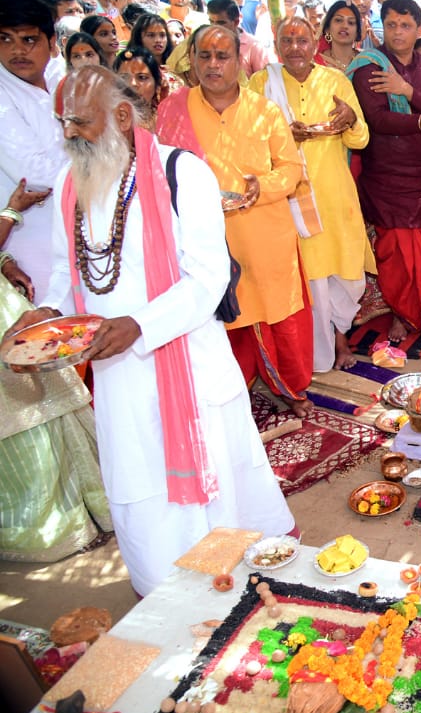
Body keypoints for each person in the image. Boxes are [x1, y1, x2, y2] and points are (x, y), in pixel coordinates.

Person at [7, 66, 294, 595]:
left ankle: (230, 581)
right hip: (119, 371)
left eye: (78, 123)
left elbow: (207, 278)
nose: (68, 135)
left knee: (213, 483)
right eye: (62, 124)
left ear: (121, 116)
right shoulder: (74, 183)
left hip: (187, 358)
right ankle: (165, 588)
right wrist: (47, 311)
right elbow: (68, 274)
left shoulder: (183, 174)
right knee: (142, 480)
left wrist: (141, 324)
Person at [155, 25, 314, 417]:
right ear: (191, 61)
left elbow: (292, 169)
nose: (213, 64)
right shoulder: (174, 108)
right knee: (221, 317)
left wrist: (263, 186)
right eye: (204, 55)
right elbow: (160, 170)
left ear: (238, 61)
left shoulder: (265, 110)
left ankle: (292, 389)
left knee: (281, 317)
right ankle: (230, 395)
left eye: (222, 56)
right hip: (205, 238)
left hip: (265, 235)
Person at [249, 17, 371, 373]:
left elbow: (360, 140)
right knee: (310, 275)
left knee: (345, 273)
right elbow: (252, 142)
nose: (295, 48)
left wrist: (350, 120)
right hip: (291, 198)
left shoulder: (334, 80)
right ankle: (323, 347)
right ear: (276, 43)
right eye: (287, 40)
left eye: (303, 40)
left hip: (334, 195)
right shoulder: (261, 83)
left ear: (316, 41)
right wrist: (284, 137)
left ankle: (340, 334)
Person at [0, 178, 112, 562]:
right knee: (21, 421)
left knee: (52, 402)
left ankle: (84, 506)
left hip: (5, 307)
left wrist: (6, 263)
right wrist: (12, 211)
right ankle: (45, 528)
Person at [348, 0, 421, 344]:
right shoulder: (370, 66)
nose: (398, 32)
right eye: (392, 24)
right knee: (395, 256)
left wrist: (407, 90)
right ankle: (402, 312)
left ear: (419, 29)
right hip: (386, 174)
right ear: (383, 25)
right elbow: (378, 119)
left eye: (406, 25)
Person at [0, 0, 67, 301]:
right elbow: (34, 174)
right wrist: (98, 172)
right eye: (5, 39)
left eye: (28, 39)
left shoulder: (60, 78)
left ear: (52, 43)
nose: (17, 51)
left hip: (73, 231)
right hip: (26, 241)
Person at [317, 1, 362, 70]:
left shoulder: (366, 60)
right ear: (327, 29)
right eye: (338, 20)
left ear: (357, 32)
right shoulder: (315, 63)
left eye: (351, 22)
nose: (345, 26)